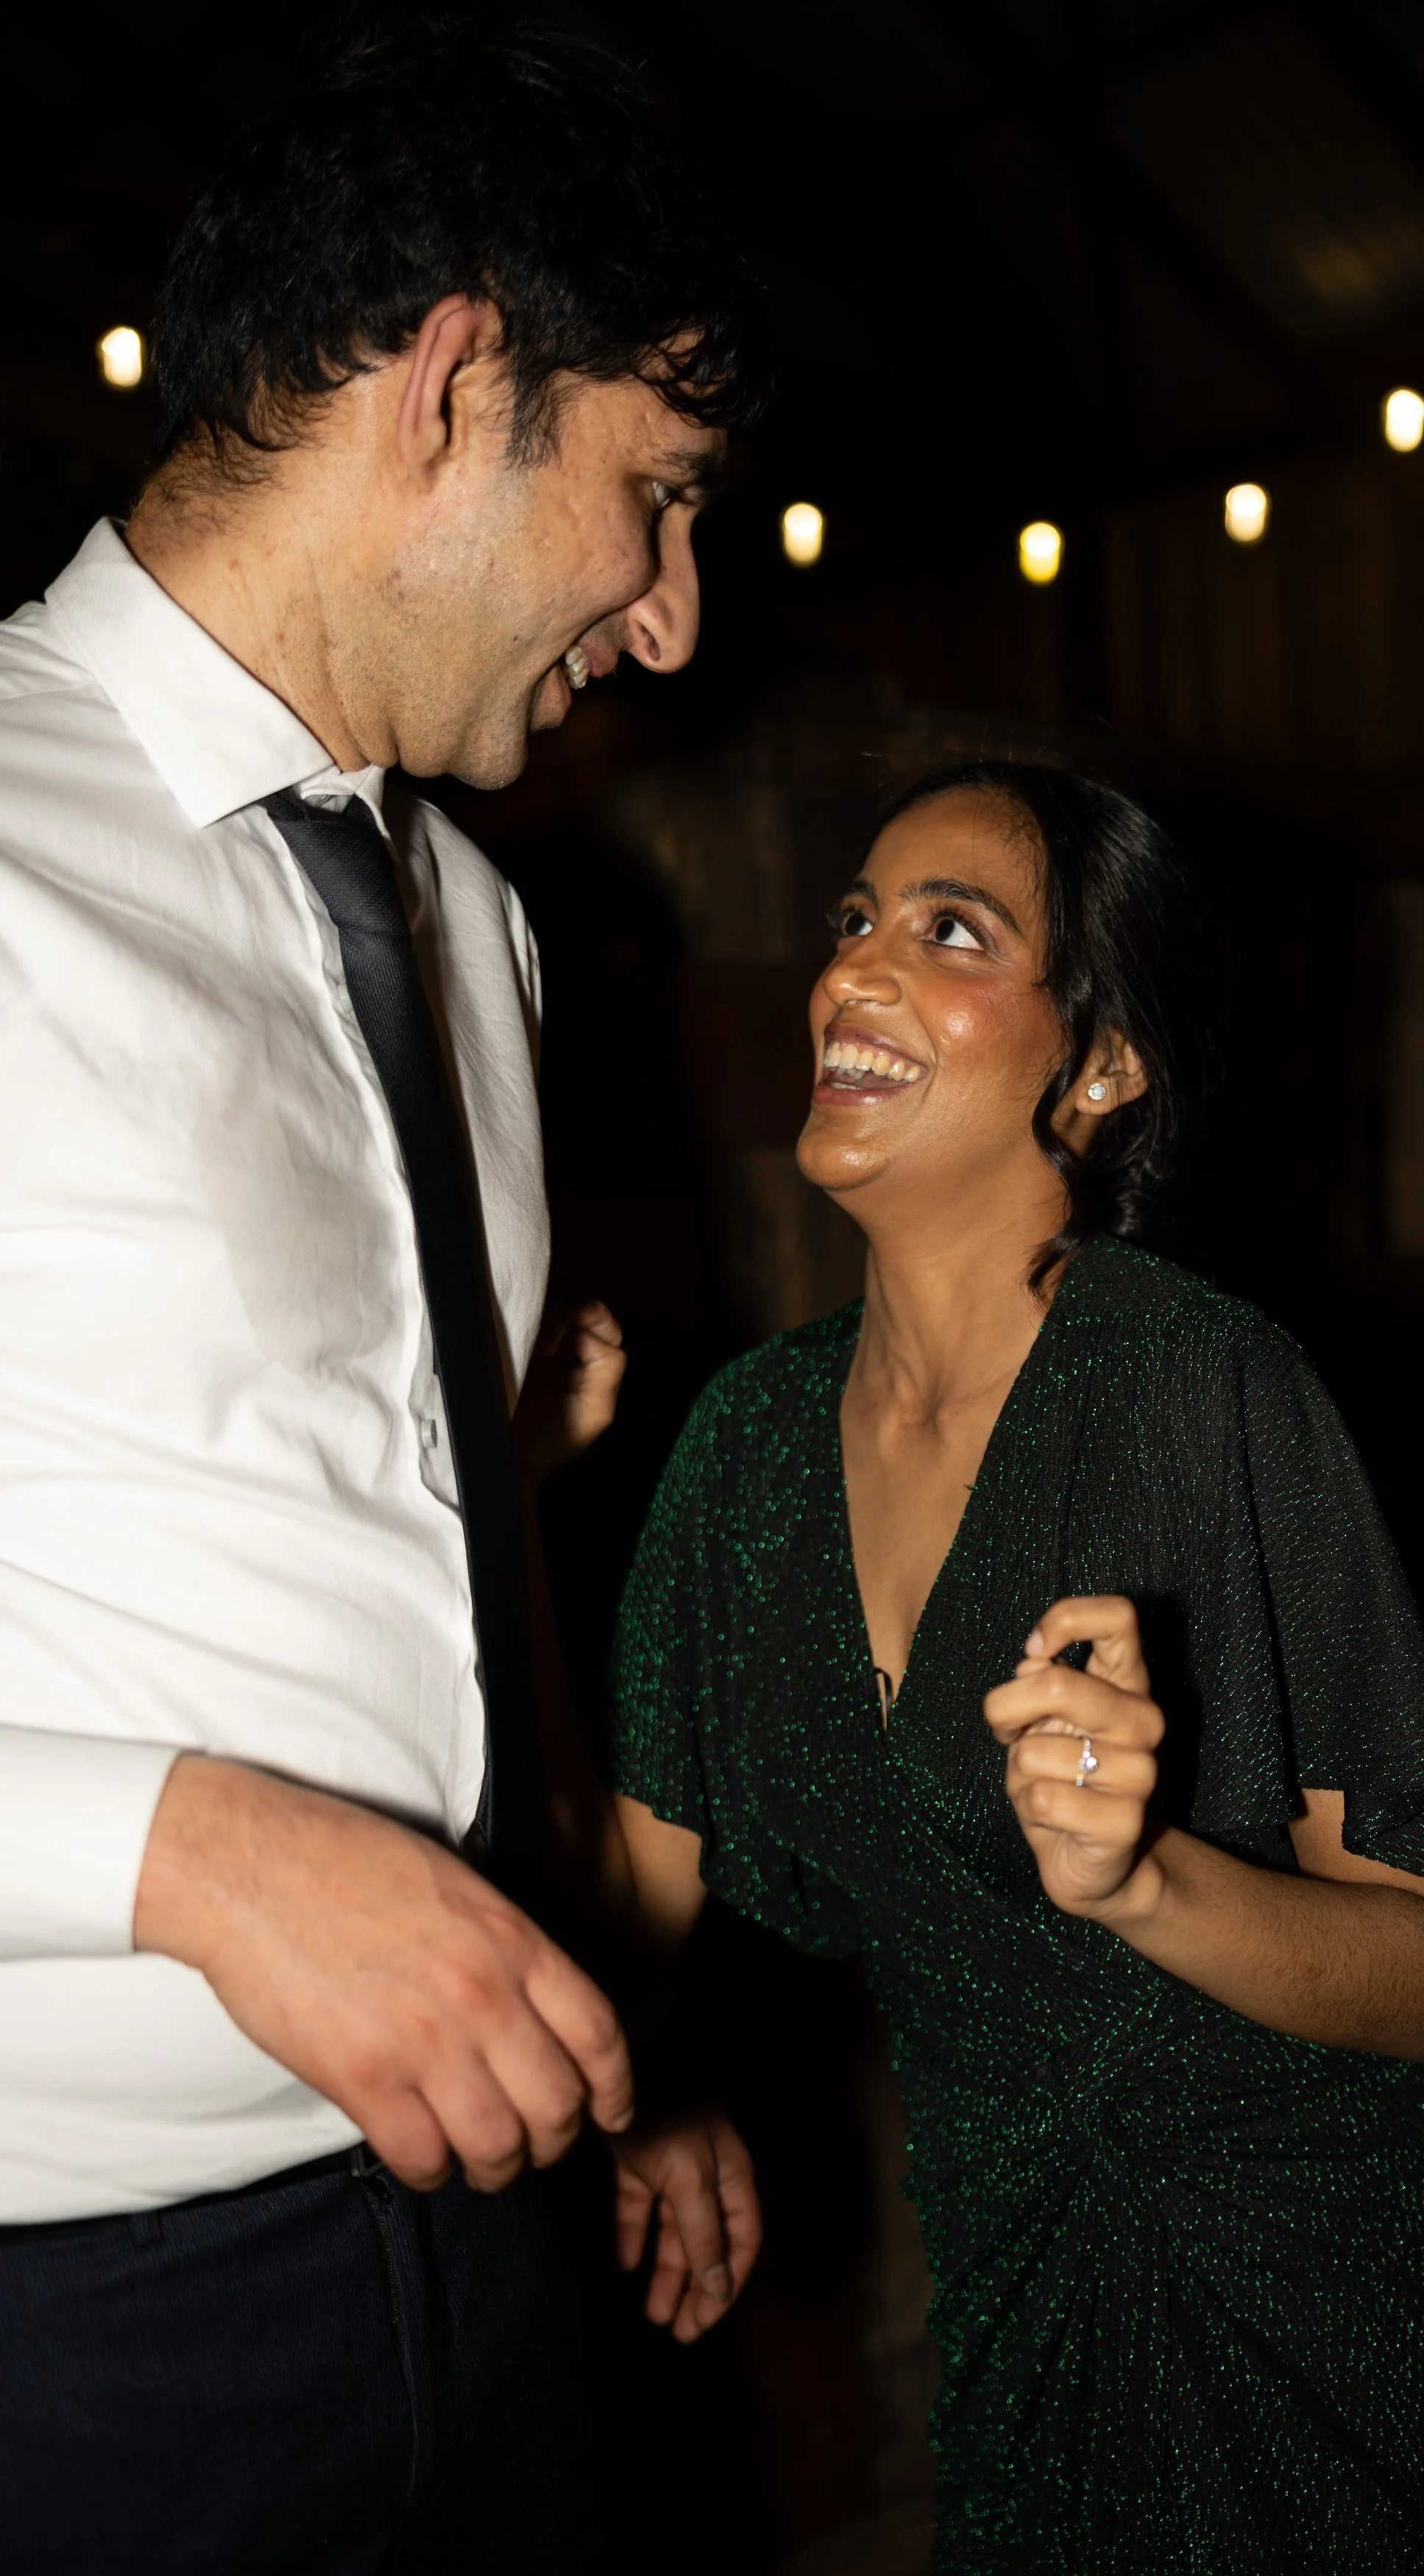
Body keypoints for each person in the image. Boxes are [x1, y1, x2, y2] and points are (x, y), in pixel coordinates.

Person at [0, 19, 762, 2571]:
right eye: (651, 505)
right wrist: (197, 1856)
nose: (669, 628)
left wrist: (586, 2025)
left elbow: (439, 1564)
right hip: (74, 2325)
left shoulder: (479, 923)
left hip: (487, 2215)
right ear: (451, 388)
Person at [606, 762, 1424, 2572]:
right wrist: (489, 1496)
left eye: (947, 930)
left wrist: (1141, 1880)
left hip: (1329, 2344)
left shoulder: (1201, 1389)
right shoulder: (742, 1450)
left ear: (1100, 1066)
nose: (854, 973)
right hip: (1022, 2350)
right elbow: (623, 1906)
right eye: (850, 923)